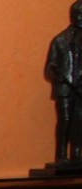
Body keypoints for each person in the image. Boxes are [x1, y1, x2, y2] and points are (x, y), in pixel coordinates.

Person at [46, 0, 82, 164]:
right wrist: (56, 74)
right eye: (78, 14)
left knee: (79, 122)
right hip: (65, 89)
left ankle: (76, 154)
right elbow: (49, 67)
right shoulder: (60, 40)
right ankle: (61, 155)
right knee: (65, 121)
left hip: (80, 89)